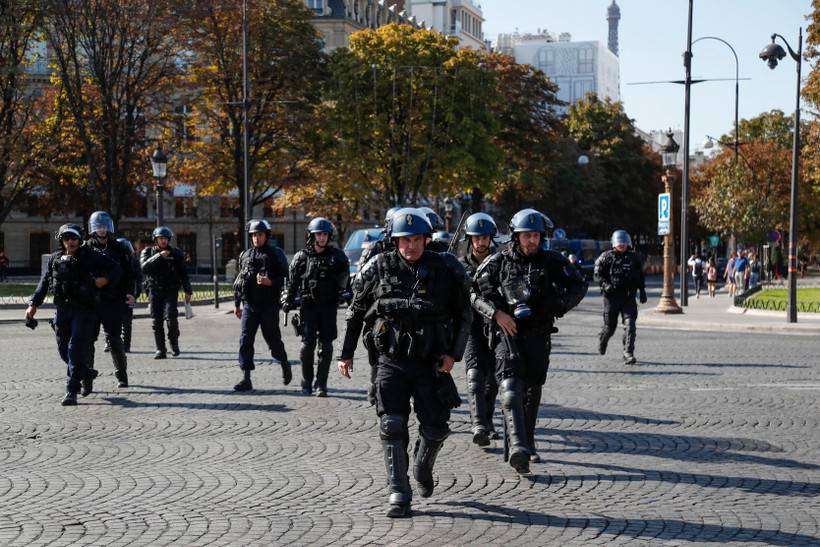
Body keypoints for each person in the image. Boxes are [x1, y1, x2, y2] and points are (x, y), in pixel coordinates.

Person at [337, 207, 472, 518]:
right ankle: (398, 491)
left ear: (426, 239)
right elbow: (356, 310)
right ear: (394, 241)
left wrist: (454, 353)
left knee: (436, 428)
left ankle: (423, 467)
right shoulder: (378, 267)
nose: (410, 246)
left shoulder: (446, 266)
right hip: (391, 361)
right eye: (404, 240)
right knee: (392, 424)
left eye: (416, 239)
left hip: (432, 363)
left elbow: (465, 311)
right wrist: (345, 353)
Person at [471, 208, 587, 470]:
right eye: (526, 236)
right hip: (507, 336)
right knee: (511, 391)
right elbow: (473, 293)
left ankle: (528, 443)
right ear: (515, 237)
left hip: (538, 335)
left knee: (532, 390)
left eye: (535, 235)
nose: (532, 240)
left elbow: (579, 286)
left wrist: (558, 305)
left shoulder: (551, 261)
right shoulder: (498, 262)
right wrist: (497, 314)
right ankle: (518, 447)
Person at [25, 224, 122, 405]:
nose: (70, 242)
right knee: (64, 350)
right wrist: (33, 304)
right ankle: (85, 371)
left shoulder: (90, 255)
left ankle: (72, 390)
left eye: (74, 238)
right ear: (62, 240)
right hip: (63, 309)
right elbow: (44, 282)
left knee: (74, 347)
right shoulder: (54, 258)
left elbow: (116, 269)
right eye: (66, 238)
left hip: (84, 309)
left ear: (80, 239)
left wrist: (105, 280)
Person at [281, 217, 349, 397]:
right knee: (307, 346)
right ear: (312, 235)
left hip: (328, 306)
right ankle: (306, 381)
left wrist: (347, 295)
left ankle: (322, 383)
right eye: (318, 234)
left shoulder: (337, 256)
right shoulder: (302, 257)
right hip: (308, 306)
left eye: (325, 234)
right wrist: (287, 300)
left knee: (326, 347)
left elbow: (346, 280)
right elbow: (292, 283)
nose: (322, 238)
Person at [232, 219, 292, 391]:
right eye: (254, 235)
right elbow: (239, 282)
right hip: (249, 305)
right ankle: (246, 377)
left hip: (269, 305)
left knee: (273, 341)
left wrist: (270, 282)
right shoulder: (244, 255)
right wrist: (237, 303)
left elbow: (287, 279)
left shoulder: (275, 254)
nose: (257, 238)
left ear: (266, 236)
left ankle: (284, 363)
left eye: (260, 235)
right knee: (245, 340)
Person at [457, 212, 501, 447]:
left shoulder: (501, 262)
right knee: (474, 375)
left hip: (496, 327)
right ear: (470, 239)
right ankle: (478, 425)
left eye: (485, 238)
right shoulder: (459, 265)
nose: (481, 242)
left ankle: (489, 420)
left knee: (493, 380)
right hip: (472, 327)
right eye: (477, 238)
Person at [83, 211, 136, 389]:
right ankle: (86, 378)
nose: (102, 230)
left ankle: (122, 375)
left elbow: (130, 274)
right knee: (88, 339)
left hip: (113, 299)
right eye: (98, 226)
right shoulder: (86, 248)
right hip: (91, 300)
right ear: (92, 228)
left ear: (109, 227)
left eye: (104, 226)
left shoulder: (118, 248)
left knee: (114, 338)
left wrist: (130, 293)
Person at [594, 229, 647, 365]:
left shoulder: (635, 258)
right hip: (611, 298)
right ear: (614, 244)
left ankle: (628, 352)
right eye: (619, 243)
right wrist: (605, 285)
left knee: (631, 325)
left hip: (628, 297)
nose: (622, 246)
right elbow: (597, 275)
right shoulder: (606, 257)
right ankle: (603, 340)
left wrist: (642, 291)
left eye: (624, 243)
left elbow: (640, 276)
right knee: (609, 328)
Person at [140, 226, 193, 359]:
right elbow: (143, 268)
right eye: (160, 238)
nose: (163, 241)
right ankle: (160, 349)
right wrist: (159, 256)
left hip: (171, 290)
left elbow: (184, 274)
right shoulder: (148, 251)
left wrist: (188, 291)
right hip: (154, 290)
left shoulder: (176, 253)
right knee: (156, 321)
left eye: (165, 239)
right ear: (156, 240)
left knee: (171, 318)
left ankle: (174, 344)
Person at [117, 238, 142, 353]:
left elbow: (138, 279)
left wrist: (135, 294)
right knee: (112, 320)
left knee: (126, 321)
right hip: (115, 293)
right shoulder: (112, 261)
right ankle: (111, 342)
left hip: (128, 293)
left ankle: (126, 344)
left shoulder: (133, 262)